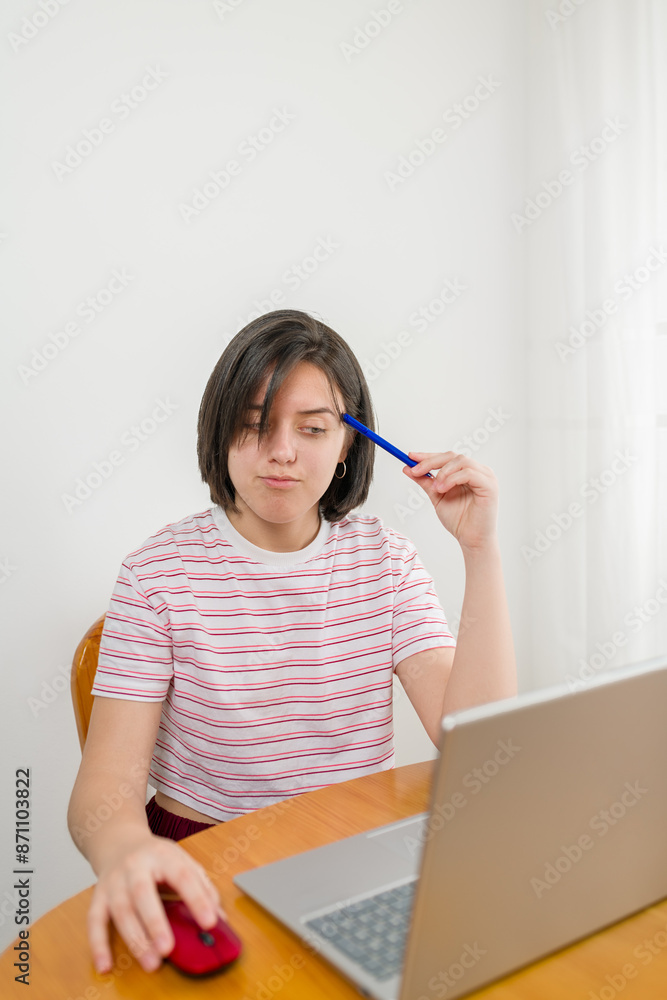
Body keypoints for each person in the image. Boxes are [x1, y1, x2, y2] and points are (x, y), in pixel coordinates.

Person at [67, 308, 517, 975]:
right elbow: (101, 789)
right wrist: (125, 850)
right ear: (219, 431)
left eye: (311, 429)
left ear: (346, 445)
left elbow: (473, 733)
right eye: (255, 423)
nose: (282, 450)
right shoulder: (157, 574)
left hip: (351, 850)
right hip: (202, 855)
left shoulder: (385, 563)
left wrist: (478, 550)